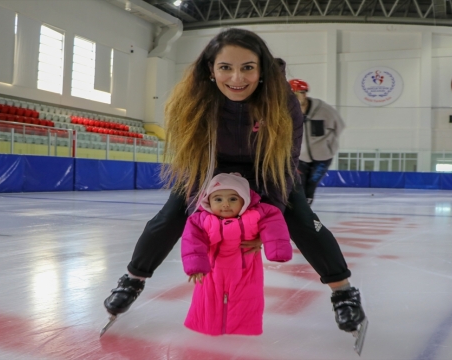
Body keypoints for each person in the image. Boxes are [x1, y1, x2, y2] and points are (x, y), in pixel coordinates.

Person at [103, 28, 365, 333]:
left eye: (248, 68)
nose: (237, 78)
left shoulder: (284, 104)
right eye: (226, 67)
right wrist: (200, 212)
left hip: (267, 167)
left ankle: (343, 291)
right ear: (211, 70)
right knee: (170, 216)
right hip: (208, 166)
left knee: (304, 220)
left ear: (262, 70)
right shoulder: (194, 100)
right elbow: (192, 162)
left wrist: (269, 218)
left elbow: (284, 164)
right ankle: (133, 280)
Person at [182, 173, 292, 335]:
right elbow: (192, 239)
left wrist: (275, 248)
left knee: (247, 300)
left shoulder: (256, 214)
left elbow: (273, 221)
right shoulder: (202, 220)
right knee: (209, 300)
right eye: (218, 199)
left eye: (233, 199)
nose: (225, 204)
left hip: (246, 271)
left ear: (245, 200)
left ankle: (242, 328)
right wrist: (195, 265)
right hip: (213, 271)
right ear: (208, 201)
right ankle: (210, 327)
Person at [289, 79, 346, 206]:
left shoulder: (323, 109)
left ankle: (307, 210)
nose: (297, 97)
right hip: (301, 156)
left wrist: (327, 144)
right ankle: (300, 210)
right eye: (292, 95)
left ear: (305, 94)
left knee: (312, 183)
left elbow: (339, 126)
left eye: (300, 93)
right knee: (299, 184)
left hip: (323, 157)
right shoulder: (288, 112)